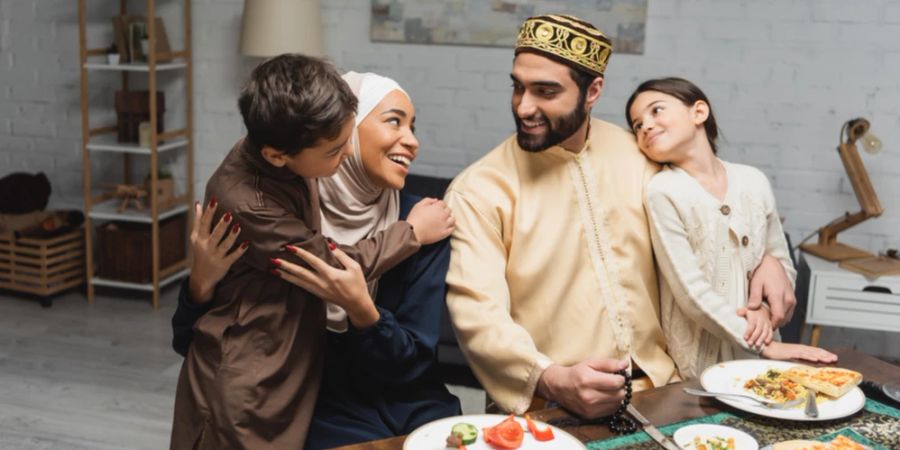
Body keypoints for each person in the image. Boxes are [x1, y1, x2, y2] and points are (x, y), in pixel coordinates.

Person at [444, 14, 797, 420]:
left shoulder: (640, 155)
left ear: (592, 90)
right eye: (518, 87)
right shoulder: (480, 189)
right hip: (552, 403)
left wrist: (767, 257)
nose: (525, 107)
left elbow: (711, 210)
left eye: (545, 91)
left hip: (665, 388)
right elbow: (477, 314)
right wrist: (551, 377)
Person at [169, 56, 452, 449]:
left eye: (413, 125)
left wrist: (365, 312)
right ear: (278, 154)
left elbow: (415, 361)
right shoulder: (267, 195)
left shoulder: (421, 216)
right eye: (393, 120)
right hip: (272, 391)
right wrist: (200, 282)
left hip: (390, 397)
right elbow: (190, 335)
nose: (413, 141)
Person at [625, 77, 837, 379]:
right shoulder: (663, 191)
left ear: (698, 112)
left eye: (656, 111)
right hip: (701, 361)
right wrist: (761, 344)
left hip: (762, 351)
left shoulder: (753, 180)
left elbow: (781, 262)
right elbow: (689, 290)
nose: (645, 125)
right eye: (636, 125)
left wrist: (764, 311)